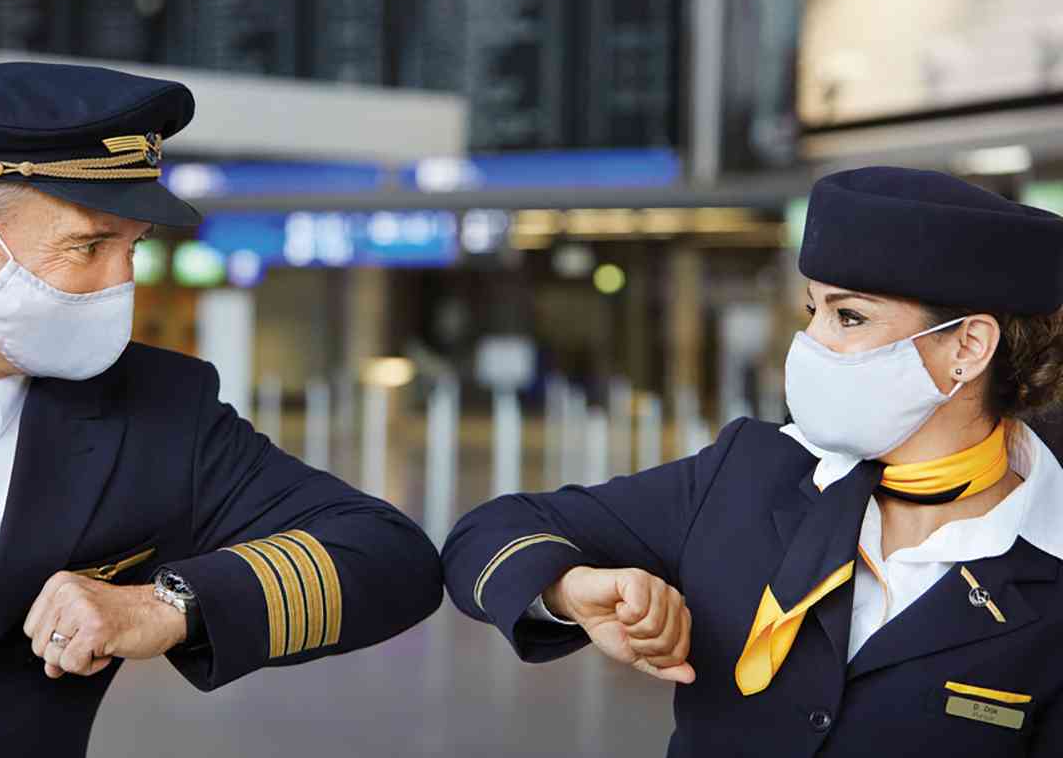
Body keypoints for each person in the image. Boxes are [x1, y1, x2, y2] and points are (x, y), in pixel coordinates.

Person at [0, 62, 443, 758]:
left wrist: (168, 605)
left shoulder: (156, 413)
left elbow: (391, 557)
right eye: (89, 245)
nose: (120, 283)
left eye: (133, 248)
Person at [442, 167, 1063, 756]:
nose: (812, 343)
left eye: (850, 316)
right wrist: (570, 589)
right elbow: (485, 534)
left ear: (969, 345)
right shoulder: (750, 474)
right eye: (811, 310)